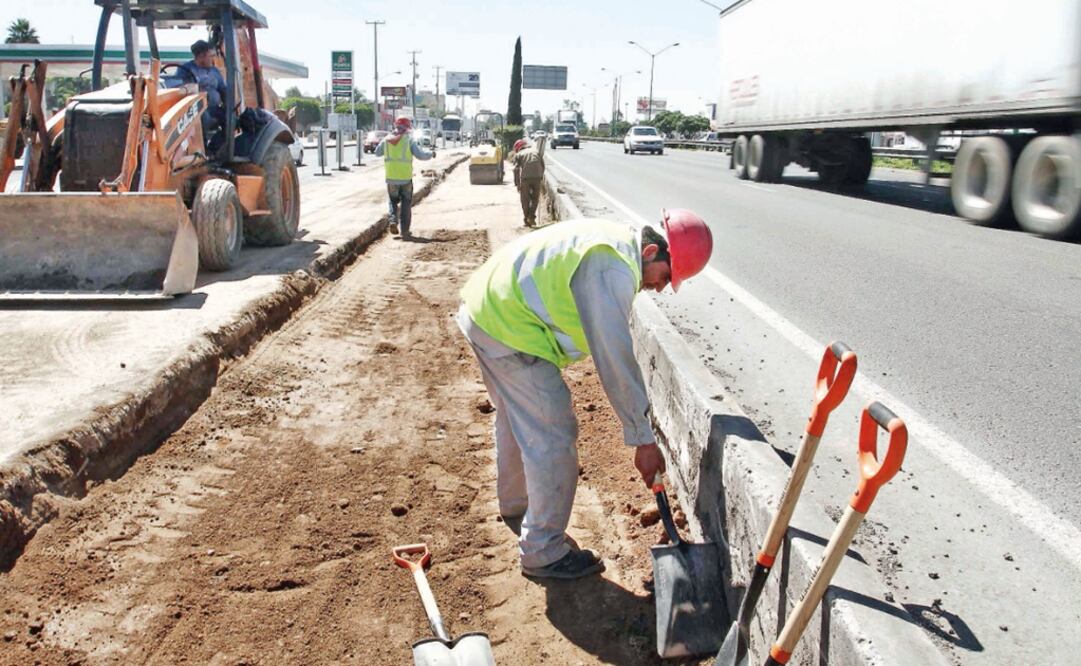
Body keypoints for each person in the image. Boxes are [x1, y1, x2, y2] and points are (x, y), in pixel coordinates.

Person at [456, 211, 714, 579]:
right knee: (552, 432)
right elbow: (614, 357)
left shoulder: (610, 243)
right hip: (511, 331)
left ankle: (516, 503)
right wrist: (642, 438)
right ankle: (543, 551)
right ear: (652, 250)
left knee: (517, 418)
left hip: (488, 313)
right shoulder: (612, 269)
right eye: (665, 277)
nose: (659, 288)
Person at [376, 117, 435, 239]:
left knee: (392, 201)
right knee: (406, 204)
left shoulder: (386, 139)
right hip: (405, 178)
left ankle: (393, 221)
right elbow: (421, 155)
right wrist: (431, 154)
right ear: (408, 127)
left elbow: (377, 152)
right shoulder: (409, 140)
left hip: (391, 177)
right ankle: (405, 231)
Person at [176, 40, 228, 151]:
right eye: (211, 56)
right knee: (203, 118)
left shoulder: (215, 71)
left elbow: (223, 89)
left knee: (231, 120)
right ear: (201, 56)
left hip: (213, 108)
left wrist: (229, 107)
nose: (213, 59)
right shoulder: (186, 70)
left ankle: (214, 149)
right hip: (195, 109)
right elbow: (181, 89)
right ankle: (201, 149)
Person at [510, 139, 544, 227]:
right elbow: (542, 165)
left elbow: (516, 169)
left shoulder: (519, 154)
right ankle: (531, 217)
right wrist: (540, 177)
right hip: (538, 176)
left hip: (525, 178)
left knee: (525, 199)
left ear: (518, 148)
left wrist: (517, 183)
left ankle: (526, 219)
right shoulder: (536, 152)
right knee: (535, 199)